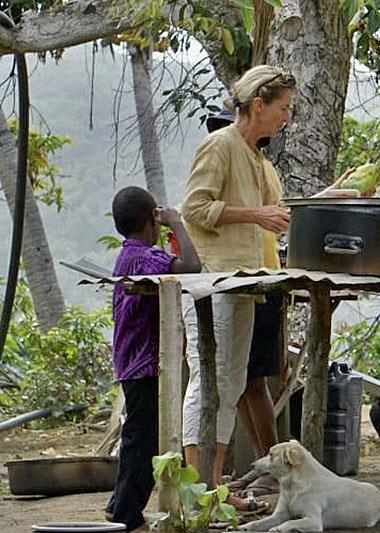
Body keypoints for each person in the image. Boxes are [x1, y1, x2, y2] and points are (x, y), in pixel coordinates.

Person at [180, 65, 294, 511]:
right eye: (282, 109)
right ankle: (200, 488)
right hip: (217, 281)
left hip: (247, 281)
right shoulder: (221, 144)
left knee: (228, 383)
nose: (286, 117)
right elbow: (194, 206)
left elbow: (272, 213)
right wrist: (255, 215)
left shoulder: (256, 158)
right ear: (258, 105)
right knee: (211, 383)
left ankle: (211, 487)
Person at [104, 186, 201, 532]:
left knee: (138, 435)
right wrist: (176, 223)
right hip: (143, 361)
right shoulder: (144, 257)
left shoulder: (129, 254)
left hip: (131, 358)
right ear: (151, 220)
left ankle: (120, 506)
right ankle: (127, 514)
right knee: (142, 440)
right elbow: (191, 266)